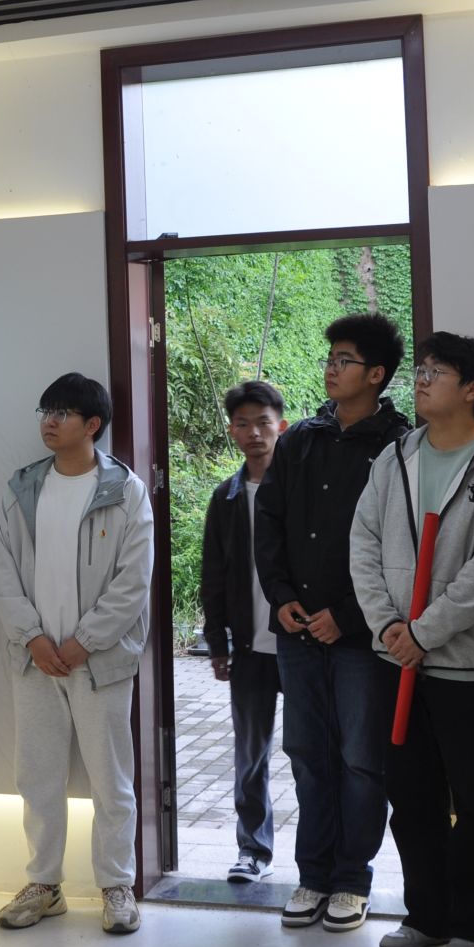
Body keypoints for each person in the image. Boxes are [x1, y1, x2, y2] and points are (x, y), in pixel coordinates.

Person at [350, 331, 474, 947]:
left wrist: (423, 633)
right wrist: (387, 627)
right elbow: (363, 544)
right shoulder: (395, 456)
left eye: (437, 371)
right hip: (393, 660)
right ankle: (425, 915)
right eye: (421, 369)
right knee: (410, 797)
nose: (421, 380)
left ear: (473, 388)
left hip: (466, 666)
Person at [254, 315, 411, 929]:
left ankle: (352, 878)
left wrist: (346, 616)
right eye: (330, 359)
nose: (331, 369)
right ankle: (313, 875)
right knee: (306, 752)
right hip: (297, 628)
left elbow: (398, 547)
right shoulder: (301, 438)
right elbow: (269, 522)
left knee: (360, 759)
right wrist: (280, 596)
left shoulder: (400, 446)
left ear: (376, 374)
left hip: (359, 634)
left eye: (345, 360)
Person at [0, 372, 153, 936]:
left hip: (98, 662)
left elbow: (133, 582)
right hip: (35, 661)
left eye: (62, 413)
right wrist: (32, 637)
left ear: (92, 425)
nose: (49, 422)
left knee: (111, 780)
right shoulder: (22, 488)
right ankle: (44, 884)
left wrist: (84, 641)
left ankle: (117, 886)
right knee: (36, 775)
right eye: (46, 411)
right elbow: (2, 571)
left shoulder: (125, 491)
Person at [199, 379, 287, 885]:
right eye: (242, 423)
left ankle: (323, 861)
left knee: (312, 753)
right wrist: (219, 643)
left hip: (301, 643)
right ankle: (253, 850)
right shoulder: (226, 497)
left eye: (262, 422)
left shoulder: (298, 490)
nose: (254, 432)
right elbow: (213, 575)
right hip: (250, 647)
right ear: (232, 431)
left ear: (281, 426)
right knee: (250, 754)